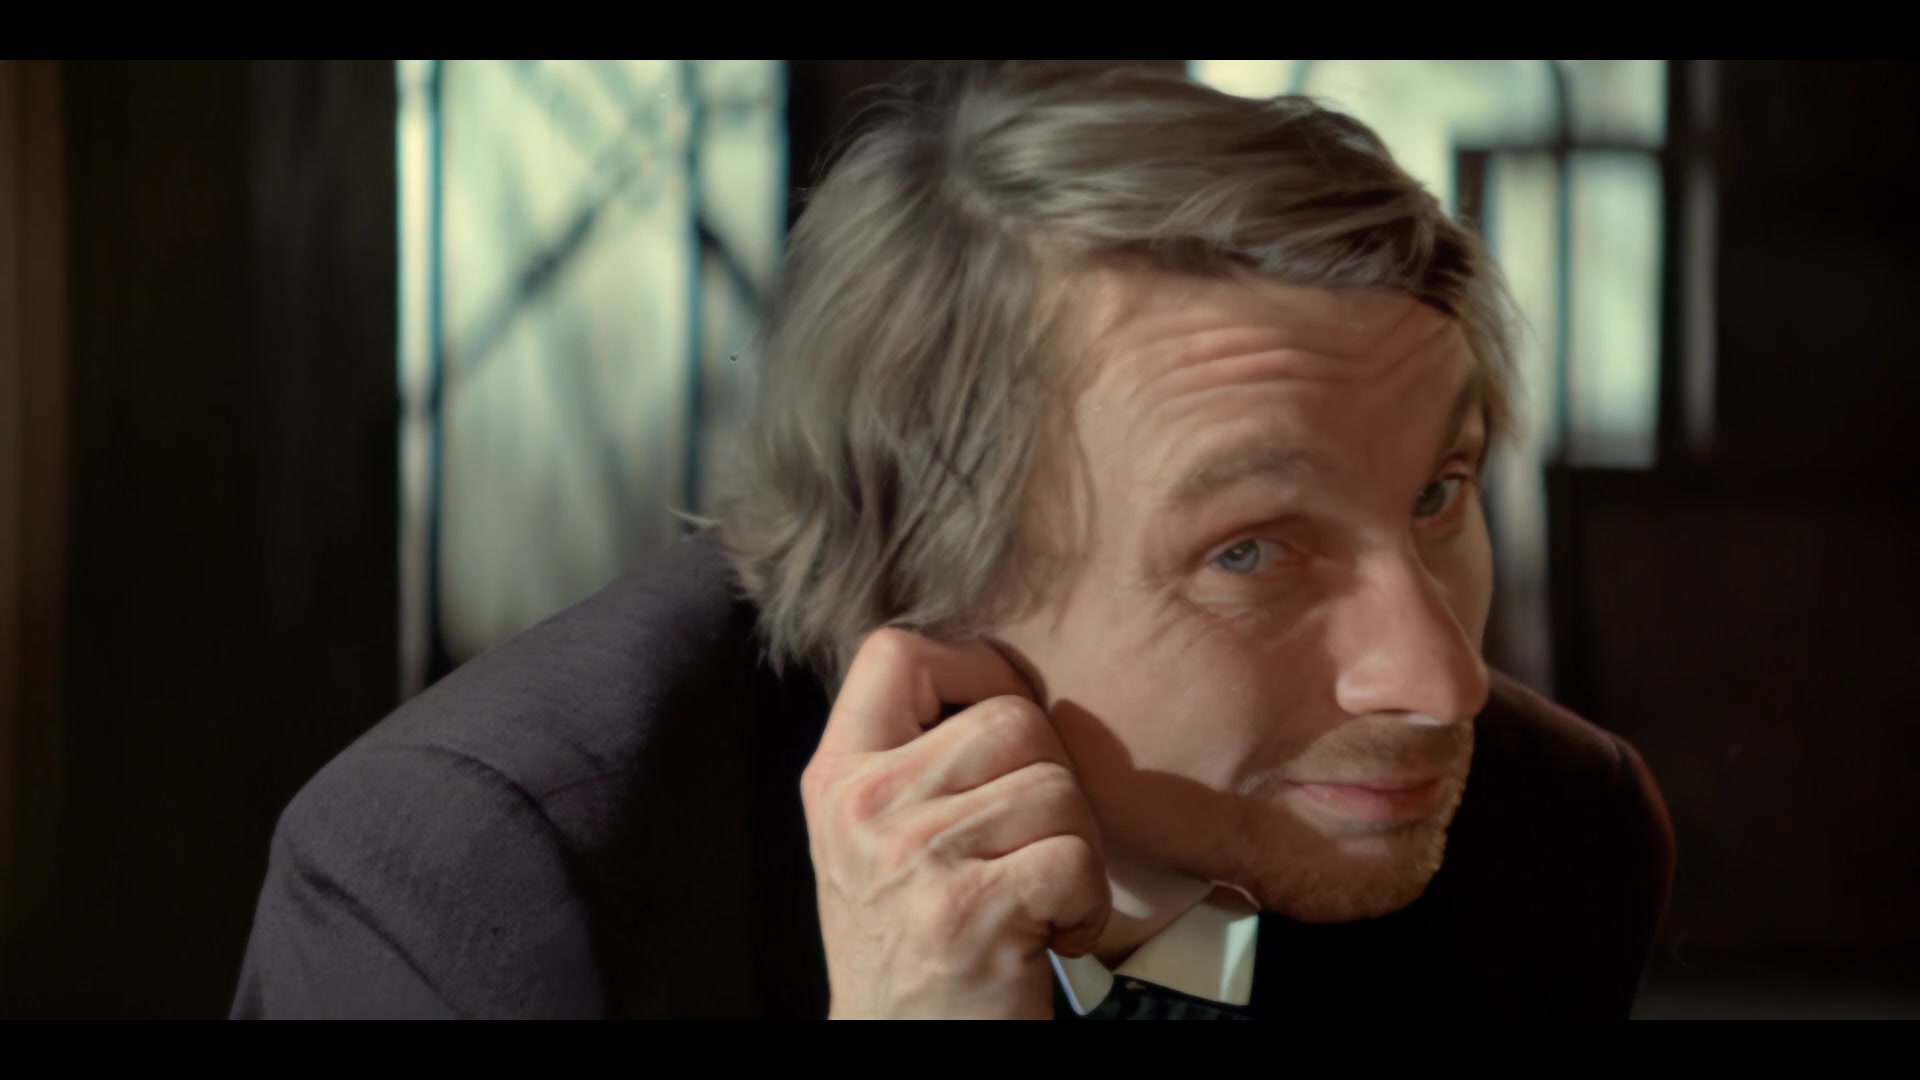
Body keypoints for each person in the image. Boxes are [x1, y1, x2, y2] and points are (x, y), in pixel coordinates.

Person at [232, 62, 1674, 1020]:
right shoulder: (487, 882)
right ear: (929, 578)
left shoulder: (1546, 835)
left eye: (1437, 496)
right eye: (1250, 552)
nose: (1441, 679)